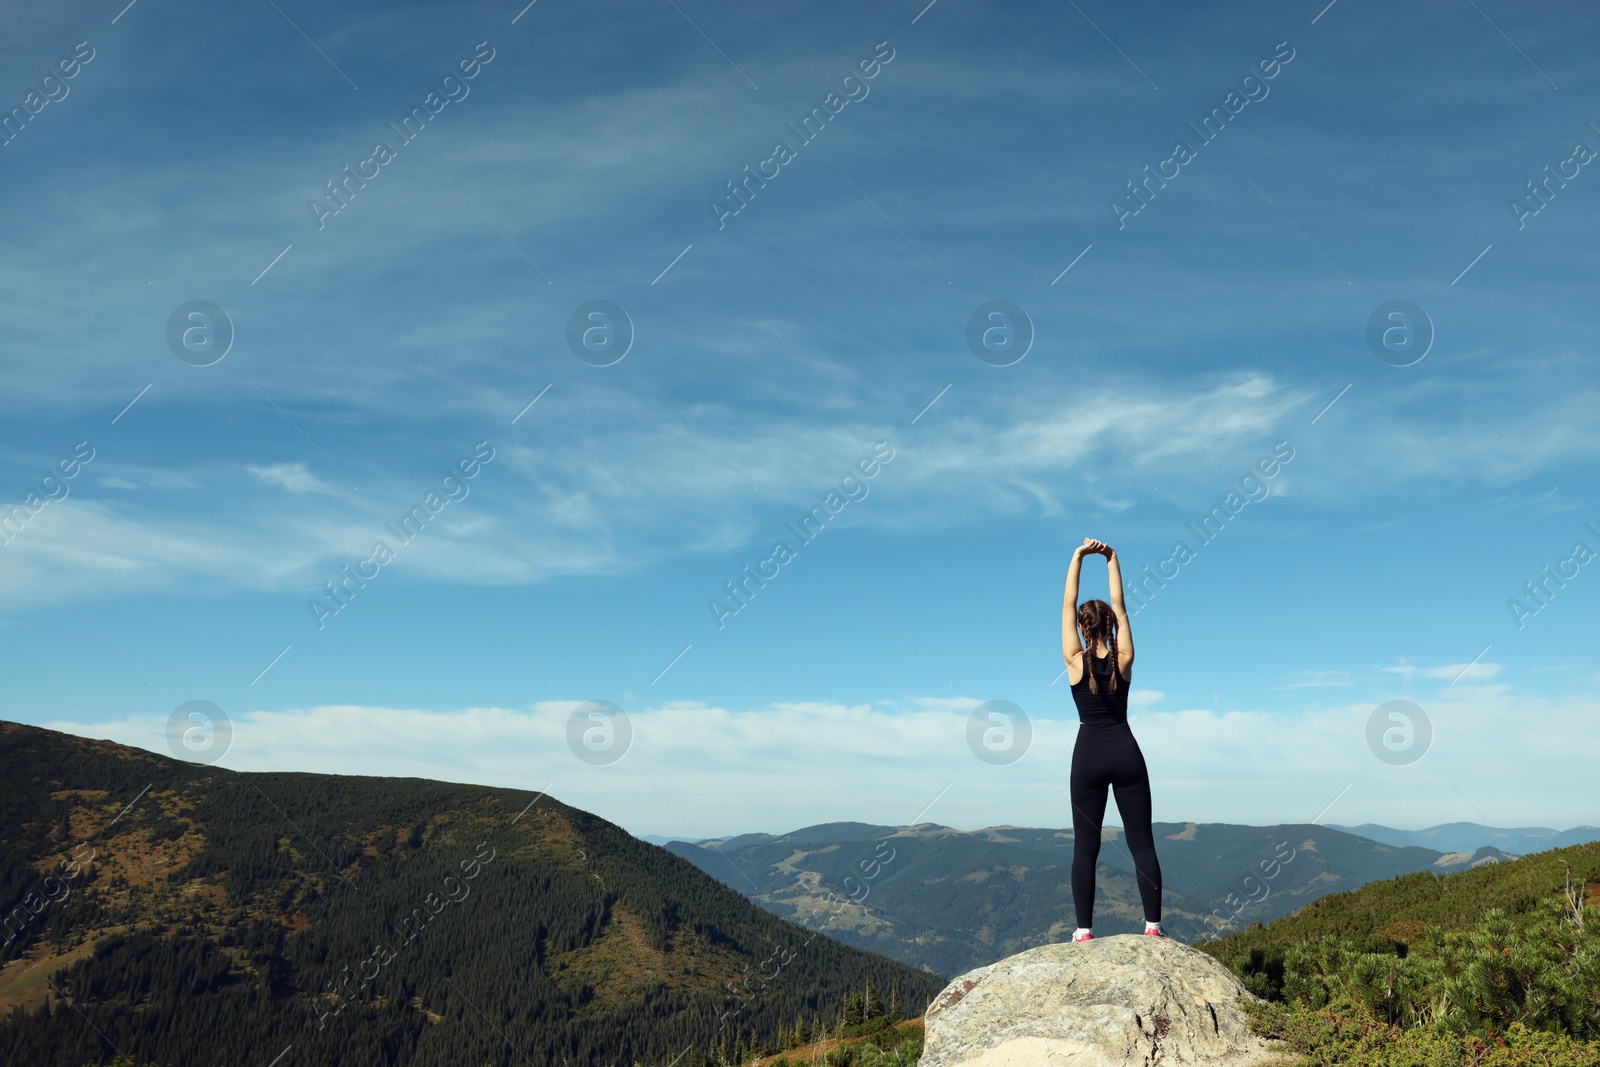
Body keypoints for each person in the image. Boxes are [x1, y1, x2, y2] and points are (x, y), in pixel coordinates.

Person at [1062, 537, 1164, 942]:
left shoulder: (1073, 660)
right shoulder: (1124, 658)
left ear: (1082, 630)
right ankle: (1152, 927)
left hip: (1087, 754)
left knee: (1085, 849)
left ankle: (1084, 931)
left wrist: (1077, 557)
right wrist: (1112, 559)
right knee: (1142, 843)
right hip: (1126, 751)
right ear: (1111, 627)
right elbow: (1121, 606)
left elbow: (1067, 606)